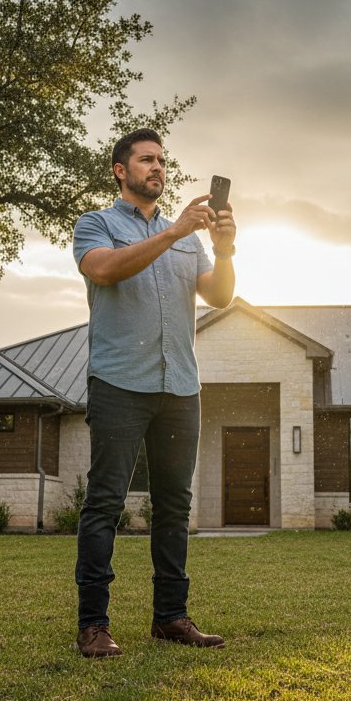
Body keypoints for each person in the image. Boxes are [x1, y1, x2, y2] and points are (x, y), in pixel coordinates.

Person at [70, 128, 236, 658]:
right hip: (119, 382)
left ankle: (171, 618)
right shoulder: (95, 224)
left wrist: (224, 248)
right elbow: (103, 270)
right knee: (104, 505)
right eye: (146, 160)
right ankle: (93, 625)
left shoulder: (187, 236)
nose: (157, 168)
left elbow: (220, 295)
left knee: (174, 507)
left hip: (180, 386)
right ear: (121, 170)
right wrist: (173, 233)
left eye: (162, 161)